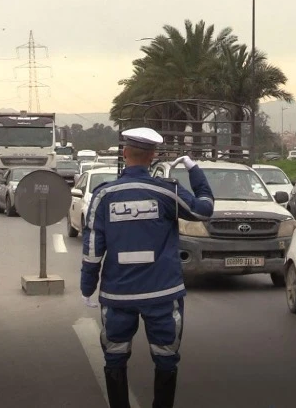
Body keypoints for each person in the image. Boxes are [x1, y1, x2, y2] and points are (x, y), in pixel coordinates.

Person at [80, 127, 214, 408]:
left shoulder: (104, 196)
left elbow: (93, 249)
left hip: (118, 296)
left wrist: (87, 288)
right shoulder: (166, 192)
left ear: (125, 153)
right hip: (163, 294)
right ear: (152, 157)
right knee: (166, 357)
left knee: (115, 356)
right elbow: (204, 210)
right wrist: (195, 171)